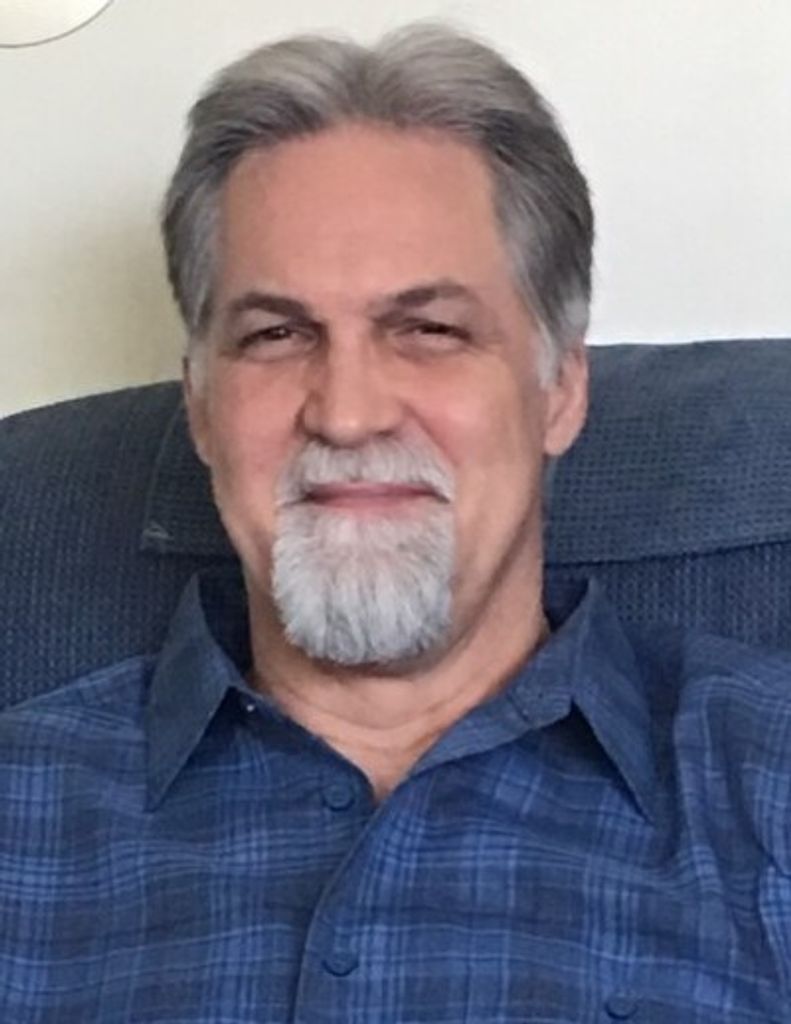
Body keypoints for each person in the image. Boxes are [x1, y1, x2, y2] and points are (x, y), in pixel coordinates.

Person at [1, 22, 790, 1024]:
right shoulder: (22, 810)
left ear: (558, 389)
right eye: (276, 334)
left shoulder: (765, 784)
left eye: (427, 329)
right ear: (198, 407)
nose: (347, 412)